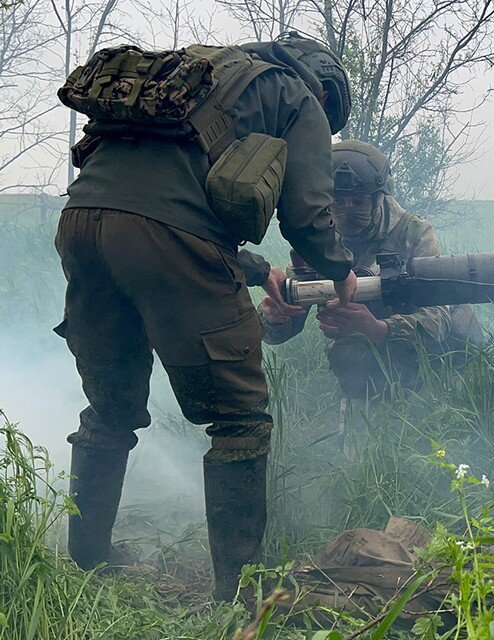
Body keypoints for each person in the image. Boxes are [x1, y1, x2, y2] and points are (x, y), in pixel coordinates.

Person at [54, 32, 357, 600]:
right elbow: (307, 213)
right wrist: (340, 272)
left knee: (110, 407)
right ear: (325, 84)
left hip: (82, 223)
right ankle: (240, 596)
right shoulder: (298, 97)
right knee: (240, 417)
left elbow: (156, 198)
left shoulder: (198, 74)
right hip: (165, 235)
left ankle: (88, 557)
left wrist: (254, 269)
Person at [254, 140, 485, 400]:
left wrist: (376, 328)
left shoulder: (415, 234)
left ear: (378, 197)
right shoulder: (321, 243)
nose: (348, 210)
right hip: (372, 352)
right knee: (347, 353)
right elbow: (285, 318)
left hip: (447, 352)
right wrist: (274, 317)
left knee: (448, 402)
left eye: (358, 201)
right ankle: (372, 409)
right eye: (340, 202)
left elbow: (438, 320)